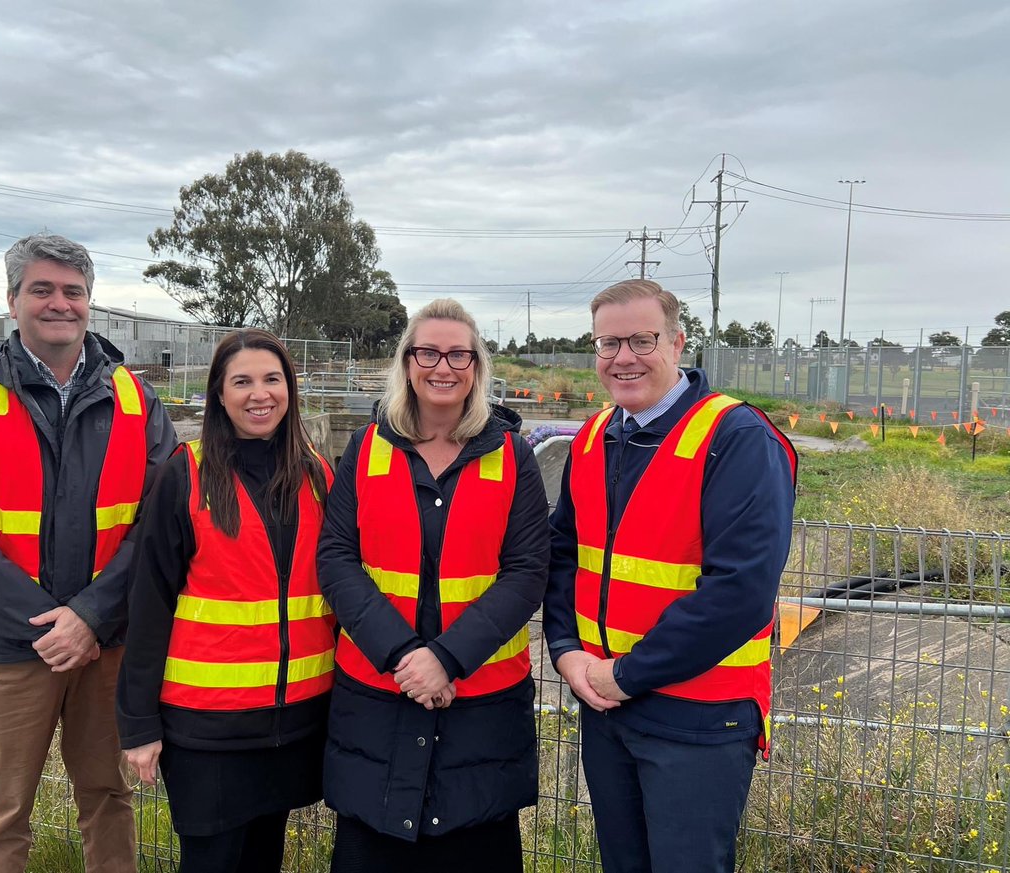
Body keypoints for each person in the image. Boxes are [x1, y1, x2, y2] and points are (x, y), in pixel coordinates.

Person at [0, 233, 178, 873]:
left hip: (107, 644)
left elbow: (159, 526)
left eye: (73, 291)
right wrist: (50, 626)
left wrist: (89, 617)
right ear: (12, 301)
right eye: (42, 289)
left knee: (109, 799)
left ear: (90, 302)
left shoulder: (137, 403)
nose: (59, 303)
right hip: (7, 647)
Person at [544, 279, 797, 873]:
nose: (623, 357)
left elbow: (741, 592)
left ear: (679, 343)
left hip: (699, 717)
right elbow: (564, 556)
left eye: (642, 339)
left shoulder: (736, 439)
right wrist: (563, 652)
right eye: (608, 343)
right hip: (607, 707)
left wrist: (627, 674)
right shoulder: (591, 440)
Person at [317, 298, 549, 873]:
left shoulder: (513, 457)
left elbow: (526, 573)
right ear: (407, 361)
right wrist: (404, 656)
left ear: (476, 366)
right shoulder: (368, 447)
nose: (442, 367)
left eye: (458, 354)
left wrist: (447, 658)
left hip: (480, 707)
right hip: (379, 697)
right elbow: (336, 558)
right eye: (427, 352)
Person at [116, 329, 335, 873]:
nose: (259, 394)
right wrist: (138, 724)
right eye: (242, 381)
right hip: (206, 729)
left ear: (290, 389)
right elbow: (149, 605)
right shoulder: (184, 476)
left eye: (272, 379)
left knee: (264, 857)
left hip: (295, 721)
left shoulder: (316, 476)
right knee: (212, 860)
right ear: (218, 393)